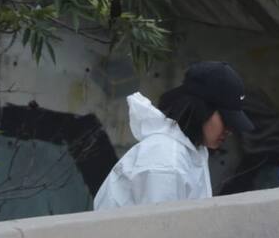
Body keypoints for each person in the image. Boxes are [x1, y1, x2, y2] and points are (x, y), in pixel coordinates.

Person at [94, 61, 254, 210]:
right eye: (226, 119)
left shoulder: (191, 151)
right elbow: (162, 228)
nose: (230, 129)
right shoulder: (166, 162)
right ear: (202, 109)